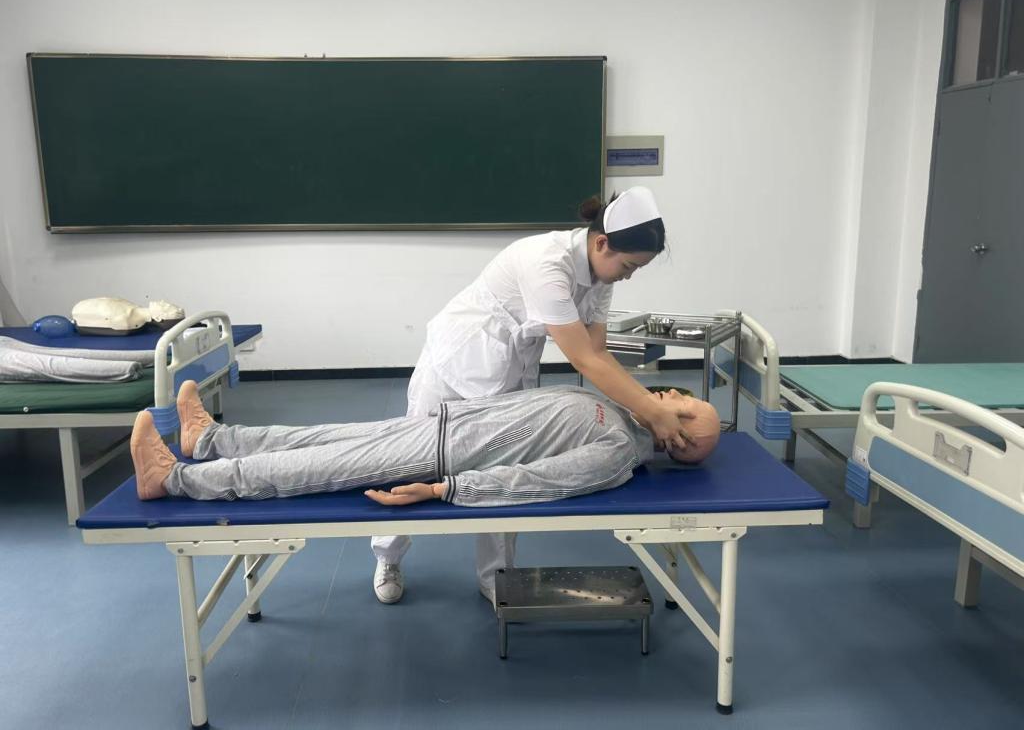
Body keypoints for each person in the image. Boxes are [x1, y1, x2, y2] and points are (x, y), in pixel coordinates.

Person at [373, 186, 692, 605]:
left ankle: (497, 576)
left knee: (505, 466)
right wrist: (651, 409)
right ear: (602, 243)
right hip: (454, 363)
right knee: (412, 457)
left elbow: (598, 351)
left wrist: (647, 411)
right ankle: (388, 557)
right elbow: (584, 360)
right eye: (629, 266)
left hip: (509, 369)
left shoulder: (601, 276)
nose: (628, 275)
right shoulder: (547, 262)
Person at [132, 381, 721, 508]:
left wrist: (444, 489)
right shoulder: (619, 408)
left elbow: (534, 482)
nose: (674, 394)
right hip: (441, 425)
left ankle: (174, 479)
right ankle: (211, 439)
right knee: (319, 435)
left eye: (685, 407)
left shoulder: (617, 451)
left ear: (680, 440)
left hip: (438, 457)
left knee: (311, 465)